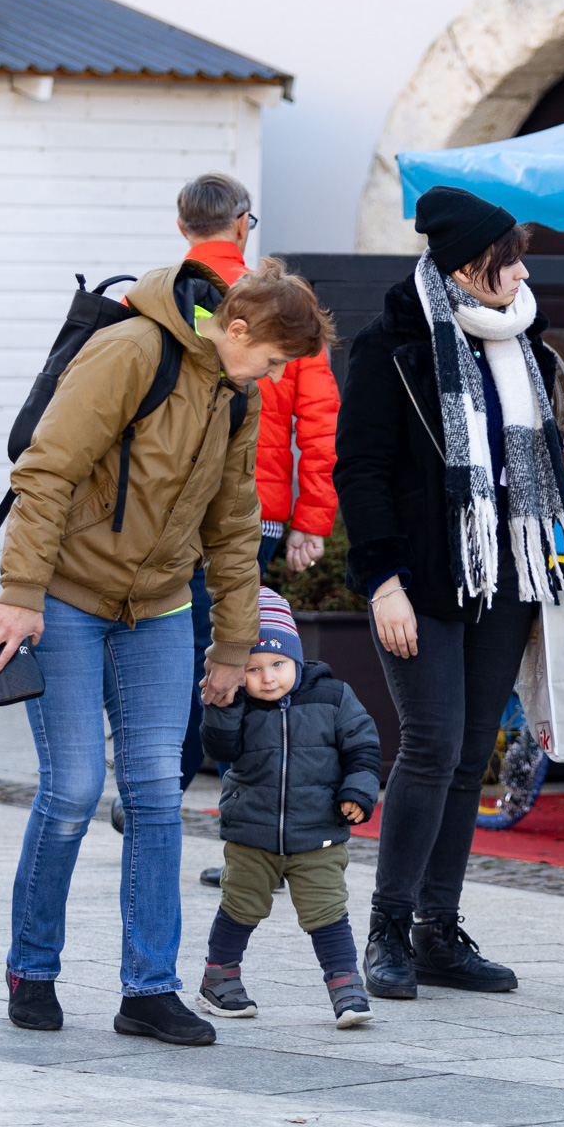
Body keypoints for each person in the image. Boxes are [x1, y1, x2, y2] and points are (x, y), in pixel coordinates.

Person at [0, 256, 333, 1043]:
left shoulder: (237, 395)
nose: (275, 376)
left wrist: (233, 643)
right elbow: (47, 470)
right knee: (74, 788)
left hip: (162, 607)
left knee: (154, 795)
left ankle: (148, 989)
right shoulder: (133, 351)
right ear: (236, 328)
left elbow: (234, 525)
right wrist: (21, 592)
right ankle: (32, 967)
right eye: (274, 359)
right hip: (66, 596)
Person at [333, 185, 564, 1001]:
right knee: (430, 744)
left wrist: (563, 461)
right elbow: (361, 472)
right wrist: (383, 581)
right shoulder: (393, 346)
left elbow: (512, 461)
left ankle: (438, 930)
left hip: (506, 572)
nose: (521, 275)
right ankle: (387, 929)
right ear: (463, 267)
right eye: (506, 262)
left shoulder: (523, 341)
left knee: (468, 754)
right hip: (421, 576)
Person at [158, 172, 341, 891]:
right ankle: (236, 824)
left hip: (165, 515)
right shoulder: (284, 306)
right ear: (242, 224)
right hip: (253, 517)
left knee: (166, 655)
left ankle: (154, 797)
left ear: (183, 227)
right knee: (235, 660)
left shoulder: (164, 297)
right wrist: (311, 520)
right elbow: (319, 421)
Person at [196, 587, 380, 1028]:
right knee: (239, 906)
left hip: (318, 830)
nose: (268, 678)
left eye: (278, 664)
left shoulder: (333, 696)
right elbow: (219, 748)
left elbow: (364, 749)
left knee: (327, 911)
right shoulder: (238, 703)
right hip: (251, 831)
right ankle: (219, 978)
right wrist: (222, 705)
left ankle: (346, 986)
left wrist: (358, 792)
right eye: (253, 668)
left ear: (297, 657)